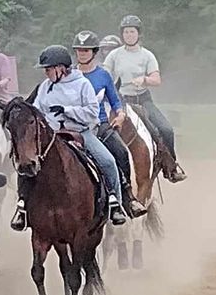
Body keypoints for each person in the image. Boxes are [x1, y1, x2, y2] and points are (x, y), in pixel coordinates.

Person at [10, 45, 127, 231]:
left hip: (80, 133)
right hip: (51, 136)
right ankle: (22, 205)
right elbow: (38, 111)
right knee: (25, 163)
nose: (46, 73)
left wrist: (67, 111)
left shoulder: (82, 85)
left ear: (60, 68)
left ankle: (115, 203)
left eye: (48, 69)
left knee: (108, 161)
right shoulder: (44, 87)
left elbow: (92, 112)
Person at [101, 15, 186, 182]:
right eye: (126, 32)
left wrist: (145, 80)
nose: (129, 35)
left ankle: (171, 167)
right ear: (122, 34)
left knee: (165, 129)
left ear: (138, 34)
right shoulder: (114, 55)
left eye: (132, 32)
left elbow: (157, 79)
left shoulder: (147, 56)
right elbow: (104, 75)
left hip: (142, 100)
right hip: (120, 101)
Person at [72, 30, 146, 217]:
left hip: (100, 125)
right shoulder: (69, 75)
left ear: (94, 52)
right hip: (73, 126)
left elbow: (115, 101)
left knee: (120, 152)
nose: (82, 53)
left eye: (86, 50)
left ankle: (126, 197)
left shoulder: (103, 76)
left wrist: (120, 115)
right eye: (79, 50)